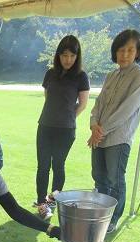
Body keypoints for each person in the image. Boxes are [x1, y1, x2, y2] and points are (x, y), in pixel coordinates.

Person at [88, 29, 140, 233]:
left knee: (115, 180)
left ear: (137, 52)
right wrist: (93, 124)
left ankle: (113, 219)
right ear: (115, 52)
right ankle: (101, 213)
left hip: (118, 138)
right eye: (121, 50)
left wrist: (101, 130)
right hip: (100, 135)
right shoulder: (111, 75)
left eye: (130, 50)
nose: (125, 55)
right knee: (98, 176)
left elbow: (127, 110)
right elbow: (98, 103)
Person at [35, 35, 90, 220]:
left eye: (72, 55)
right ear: (58, 55)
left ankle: (52, 200)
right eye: (64, 55)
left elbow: (82, 105)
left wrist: (66, 117)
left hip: (66, 130)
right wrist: (55, 115)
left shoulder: (81, 77)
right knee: (43, 166)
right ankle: (41, 203)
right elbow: (48, 97)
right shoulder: (50, 74)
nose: (68, 59)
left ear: (77, 57)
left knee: (58, 165)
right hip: (45, 126)